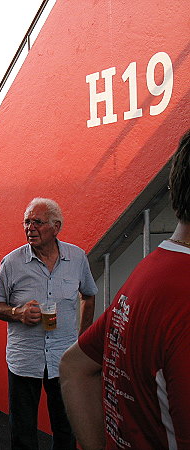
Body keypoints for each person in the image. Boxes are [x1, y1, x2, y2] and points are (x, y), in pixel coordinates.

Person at [60, 130, 190, 450]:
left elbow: (75, 366)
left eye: (38, 222)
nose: (31, 229)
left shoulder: (149, 270)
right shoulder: (180, 295)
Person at [0, 197, 97, 450]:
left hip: (64, 359)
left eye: (37, 222)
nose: (30, 228)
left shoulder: (77, 257)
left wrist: (82, 340)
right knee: (23, 431)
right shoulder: (12, 263)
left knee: (66, 428)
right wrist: (18, 312)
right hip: (25, 360)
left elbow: (89, 296)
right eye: (26, 222)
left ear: (56, 227)